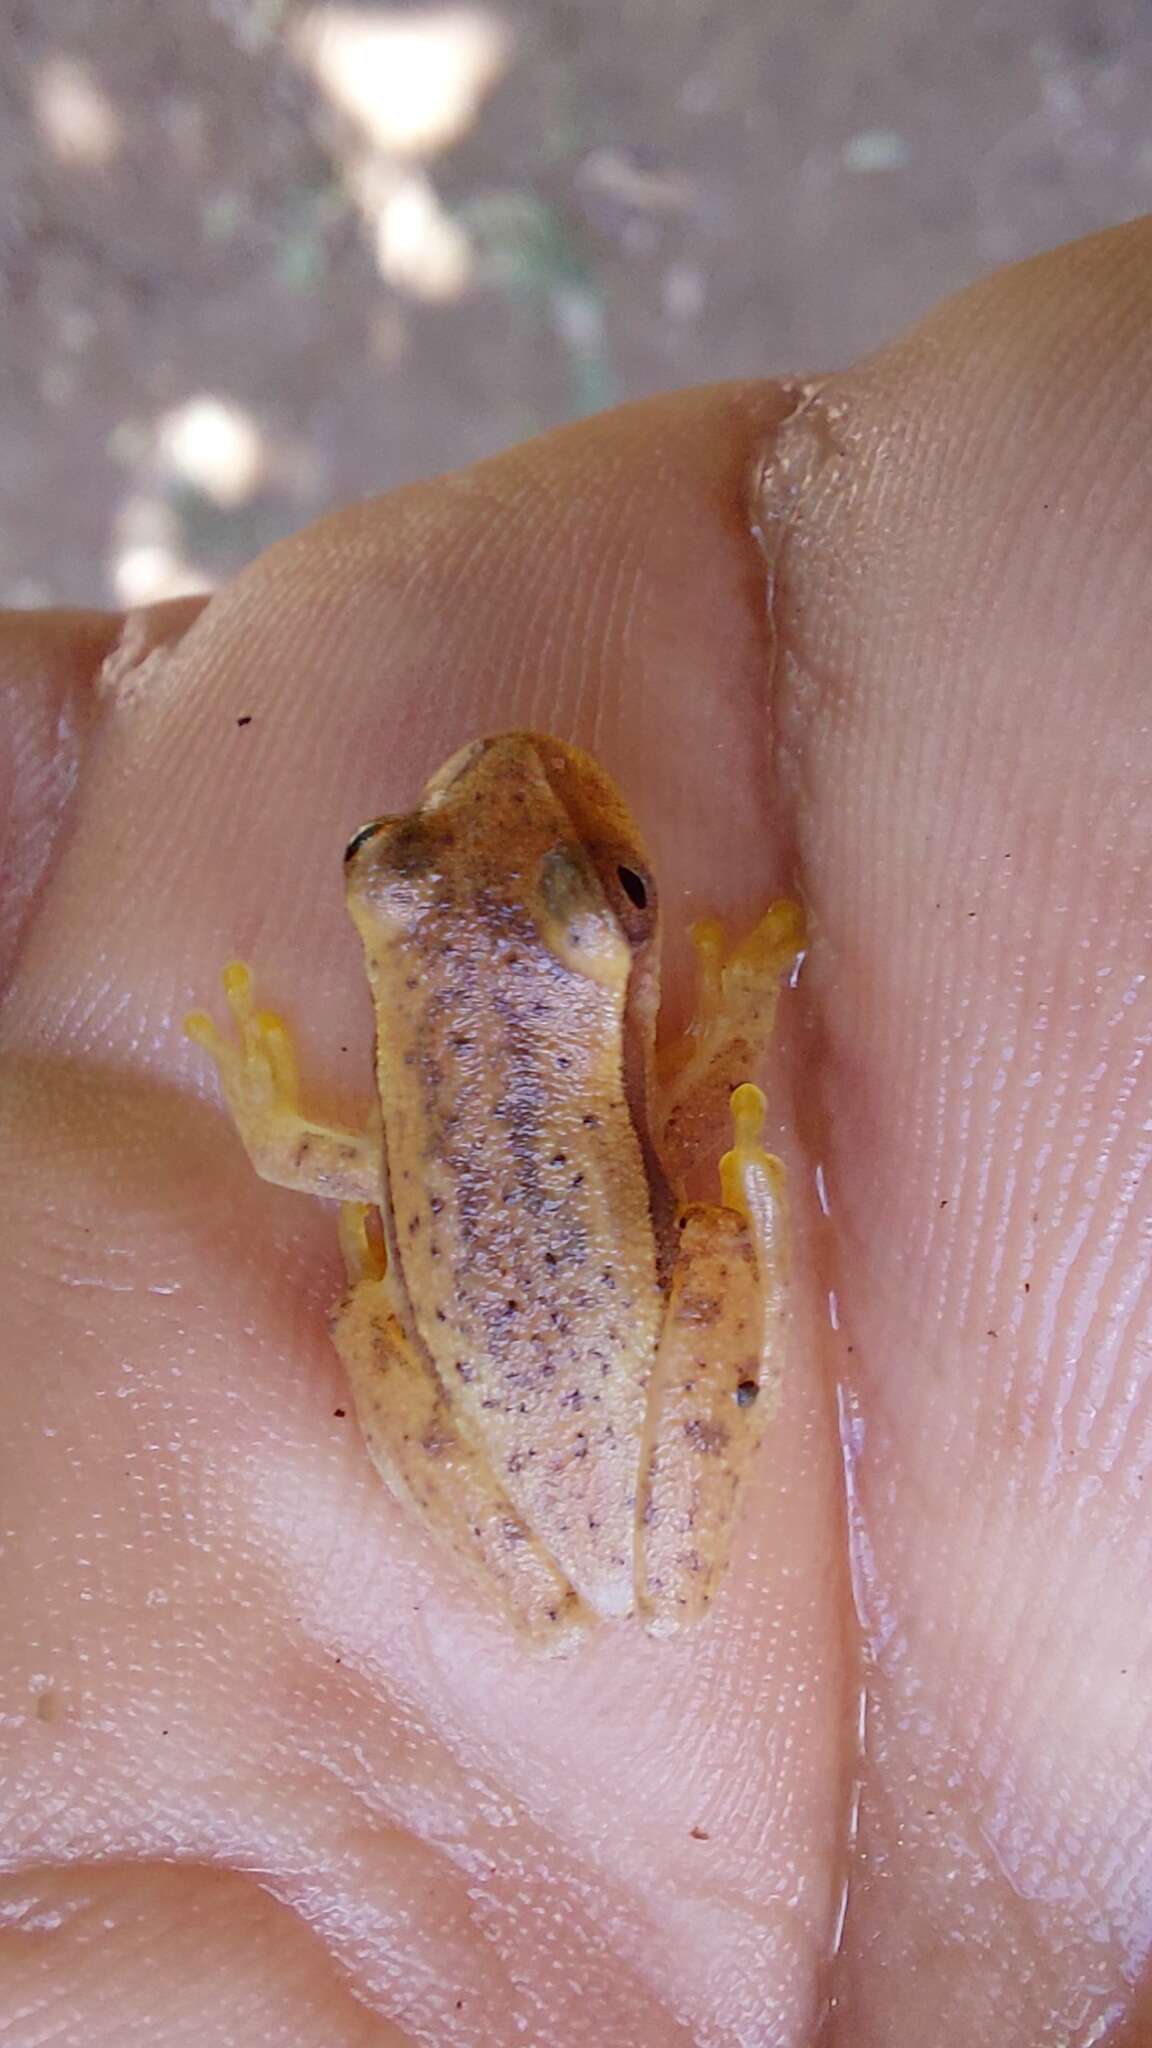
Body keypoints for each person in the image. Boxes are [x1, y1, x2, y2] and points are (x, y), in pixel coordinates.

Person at [0, 219, 1147, 2045]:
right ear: (388, 917)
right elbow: (691, 1119)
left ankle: (549, 1565)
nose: (460, 812)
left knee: (422, 1280)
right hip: (577, 1362)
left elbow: (312, 1156)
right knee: (718, 1195)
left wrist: (252, 1068)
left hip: (509, 1363)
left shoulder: (400, 1110)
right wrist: (737, 1001)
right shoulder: (603, 1066)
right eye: (393, 867)